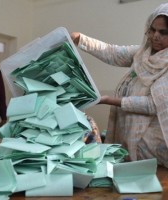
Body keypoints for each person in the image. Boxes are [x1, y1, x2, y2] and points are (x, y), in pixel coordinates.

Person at [71, 3, 168, 168]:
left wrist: (110, 100)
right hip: (128, 132)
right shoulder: (142, 53)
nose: (155, 36)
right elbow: (112, 52)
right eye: (152, 30)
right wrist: (81, 39)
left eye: (163, 32)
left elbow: (152, 104)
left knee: (151, 186)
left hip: (152, 144)